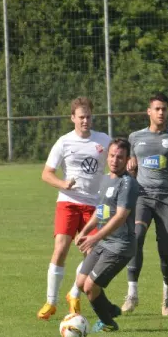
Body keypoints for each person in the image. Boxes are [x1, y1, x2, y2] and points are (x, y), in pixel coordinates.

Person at [121, 92, 168, 316]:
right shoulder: (135, 138)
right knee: (135, 239)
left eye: (164, 109)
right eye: (157, 109)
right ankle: (132, 294)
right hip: (142, 197)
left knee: (165, 251)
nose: (161, 113)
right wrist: (131, 167)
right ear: (149, 112)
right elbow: (128, 168)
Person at [37, 96, 112, 320]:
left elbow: (116, 162)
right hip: (68, 201)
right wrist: (63, 184)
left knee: (94, 254)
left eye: (88, 116)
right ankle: (51, 302)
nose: (85, 121)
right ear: (72, 118)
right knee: (61, 247)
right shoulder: (64, 142)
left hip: (94, 205)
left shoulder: (104, 140)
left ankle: (74, 293)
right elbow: (46, 173)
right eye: (81, 117)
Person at [75, 138, 139, 332]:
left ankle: (108, 323)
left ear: (127, 159)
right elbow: (100, 211)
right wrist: (86, 231)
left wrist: (95, 237)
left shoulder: (127, 184)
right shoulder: (105, 179)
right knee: (80, 282)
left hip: (120, 246)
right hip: (104, 242)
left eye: (120, 157)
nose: (115, 160)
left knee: (90, 287)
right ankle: (110, 309)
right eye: (112, 156)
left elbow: (120, 217)